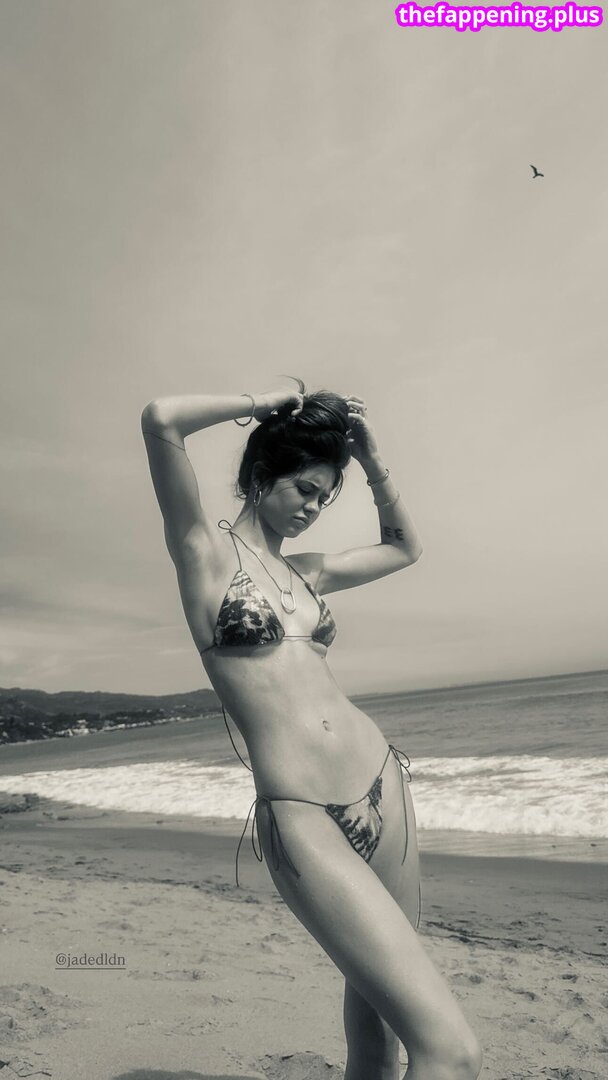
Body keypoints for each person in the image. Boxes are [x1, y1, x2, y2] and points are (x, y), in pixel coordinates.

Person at [141, 379, 482, 1080]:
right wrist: (265, 400)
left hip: (383, 786)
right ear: (260, 476)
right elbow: (162, 419)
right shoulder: (205, 556)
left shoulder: (309, 573)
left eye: (324, 498)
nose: (313, 507)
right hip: (303, 814)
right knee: (452, 1053)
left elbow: (404, 547)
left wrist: (373, 460)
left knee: (379, 1038)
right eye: (304, 489)